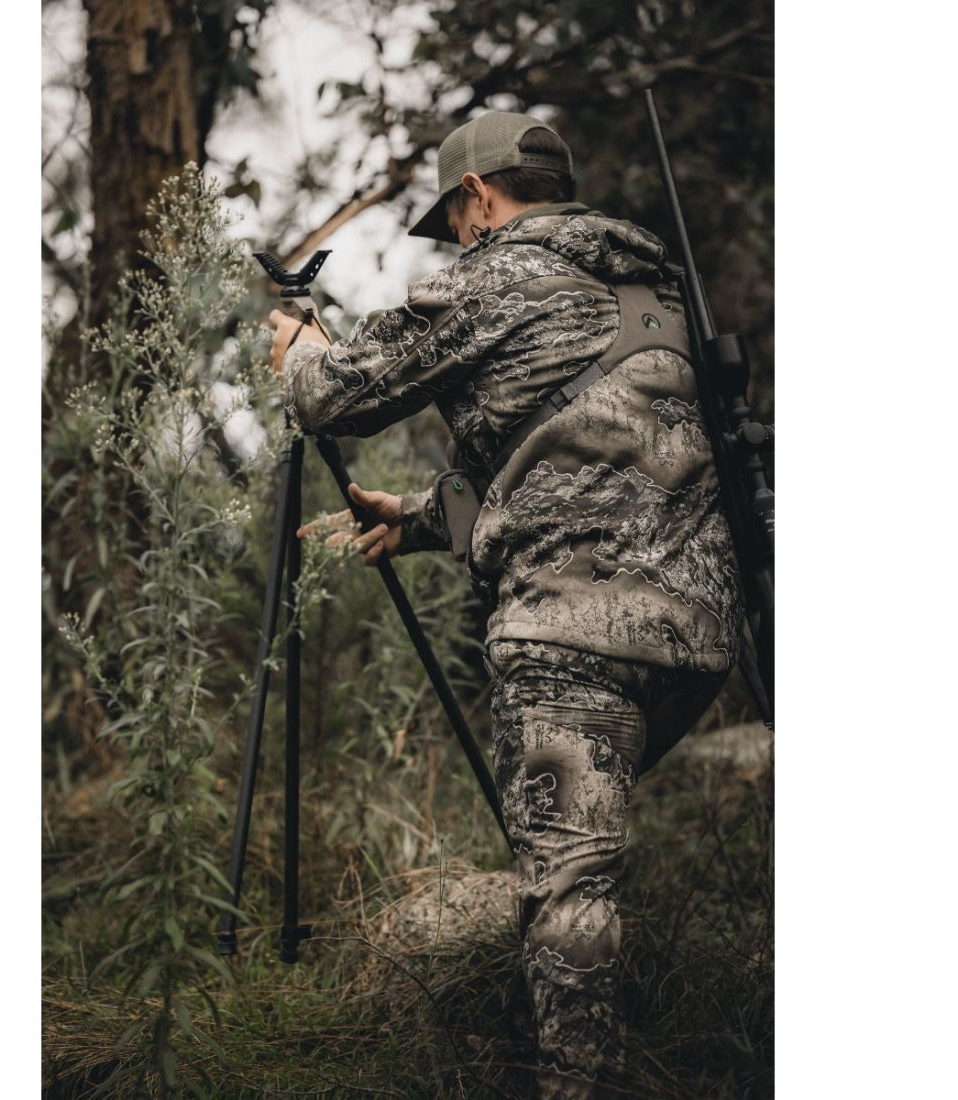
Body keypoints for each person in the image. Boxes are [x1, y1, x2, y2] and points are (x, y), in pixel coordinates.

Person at [267, 111, 743, 1099]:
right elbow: (591, 459)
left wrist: (297, 348)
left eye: (453, 218)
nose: (458, 236)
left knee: (567, 879)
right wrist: (425, 516)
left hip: (570, 634)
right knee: (573, 853)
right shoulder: (645, 281)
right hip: (691, 635)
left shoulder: (492, 271)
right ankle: (593, 1040)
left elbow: (335, 397)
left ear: (477, 195)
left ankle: (577, 1082)